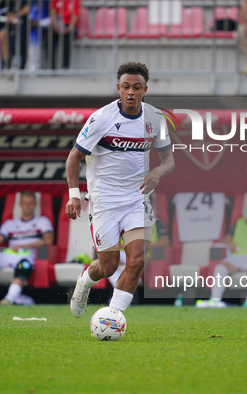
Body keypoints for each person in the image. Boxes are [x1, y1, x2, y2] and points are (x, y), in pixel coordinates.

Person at [66, 61, 174, 320]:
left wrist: (157, 172)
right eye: (126, 87)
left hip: (137, 199)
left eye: (137, 87)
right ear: (118, 88)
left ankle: (112, 317)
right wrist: (73, 196)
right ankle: (84, 282)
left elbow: (169, 159)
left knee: (136, 261)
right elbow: (73, 158)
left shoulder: (155, 118)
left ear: (145, 89)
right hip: (104, 201)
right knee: (108, 266)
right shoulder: (101, 118)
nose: (131, 92)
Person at [197, 197, 247, 308]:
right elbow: (227, 238)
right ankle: (215, 300)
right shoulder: (239, 223)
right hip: (236, 257)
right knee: (220, 268)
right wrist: (230, 243)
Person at [0, 190, 54, 305]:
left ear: (35, 204)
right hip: (9, 254)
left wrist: (23, 245)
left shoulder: (42, 221)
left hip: (27, 256)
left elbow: (48, 240)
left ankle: (8, 299)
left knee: (23, 266)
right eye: (25, 203)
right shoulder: (10, 223)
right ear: (20, 204)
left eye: (30, 203)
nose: (27, 206)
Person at [50, 0, 80, 69]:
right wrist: (55, 27)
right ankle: (52, 67)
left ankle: (65, 67)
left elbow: (75, 15)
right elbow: (53, 13)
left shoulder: (75, 1)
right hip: (57, 25)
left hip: (69, 26)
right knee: (49, 40)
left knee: (67, 41)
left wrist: (68, 29)